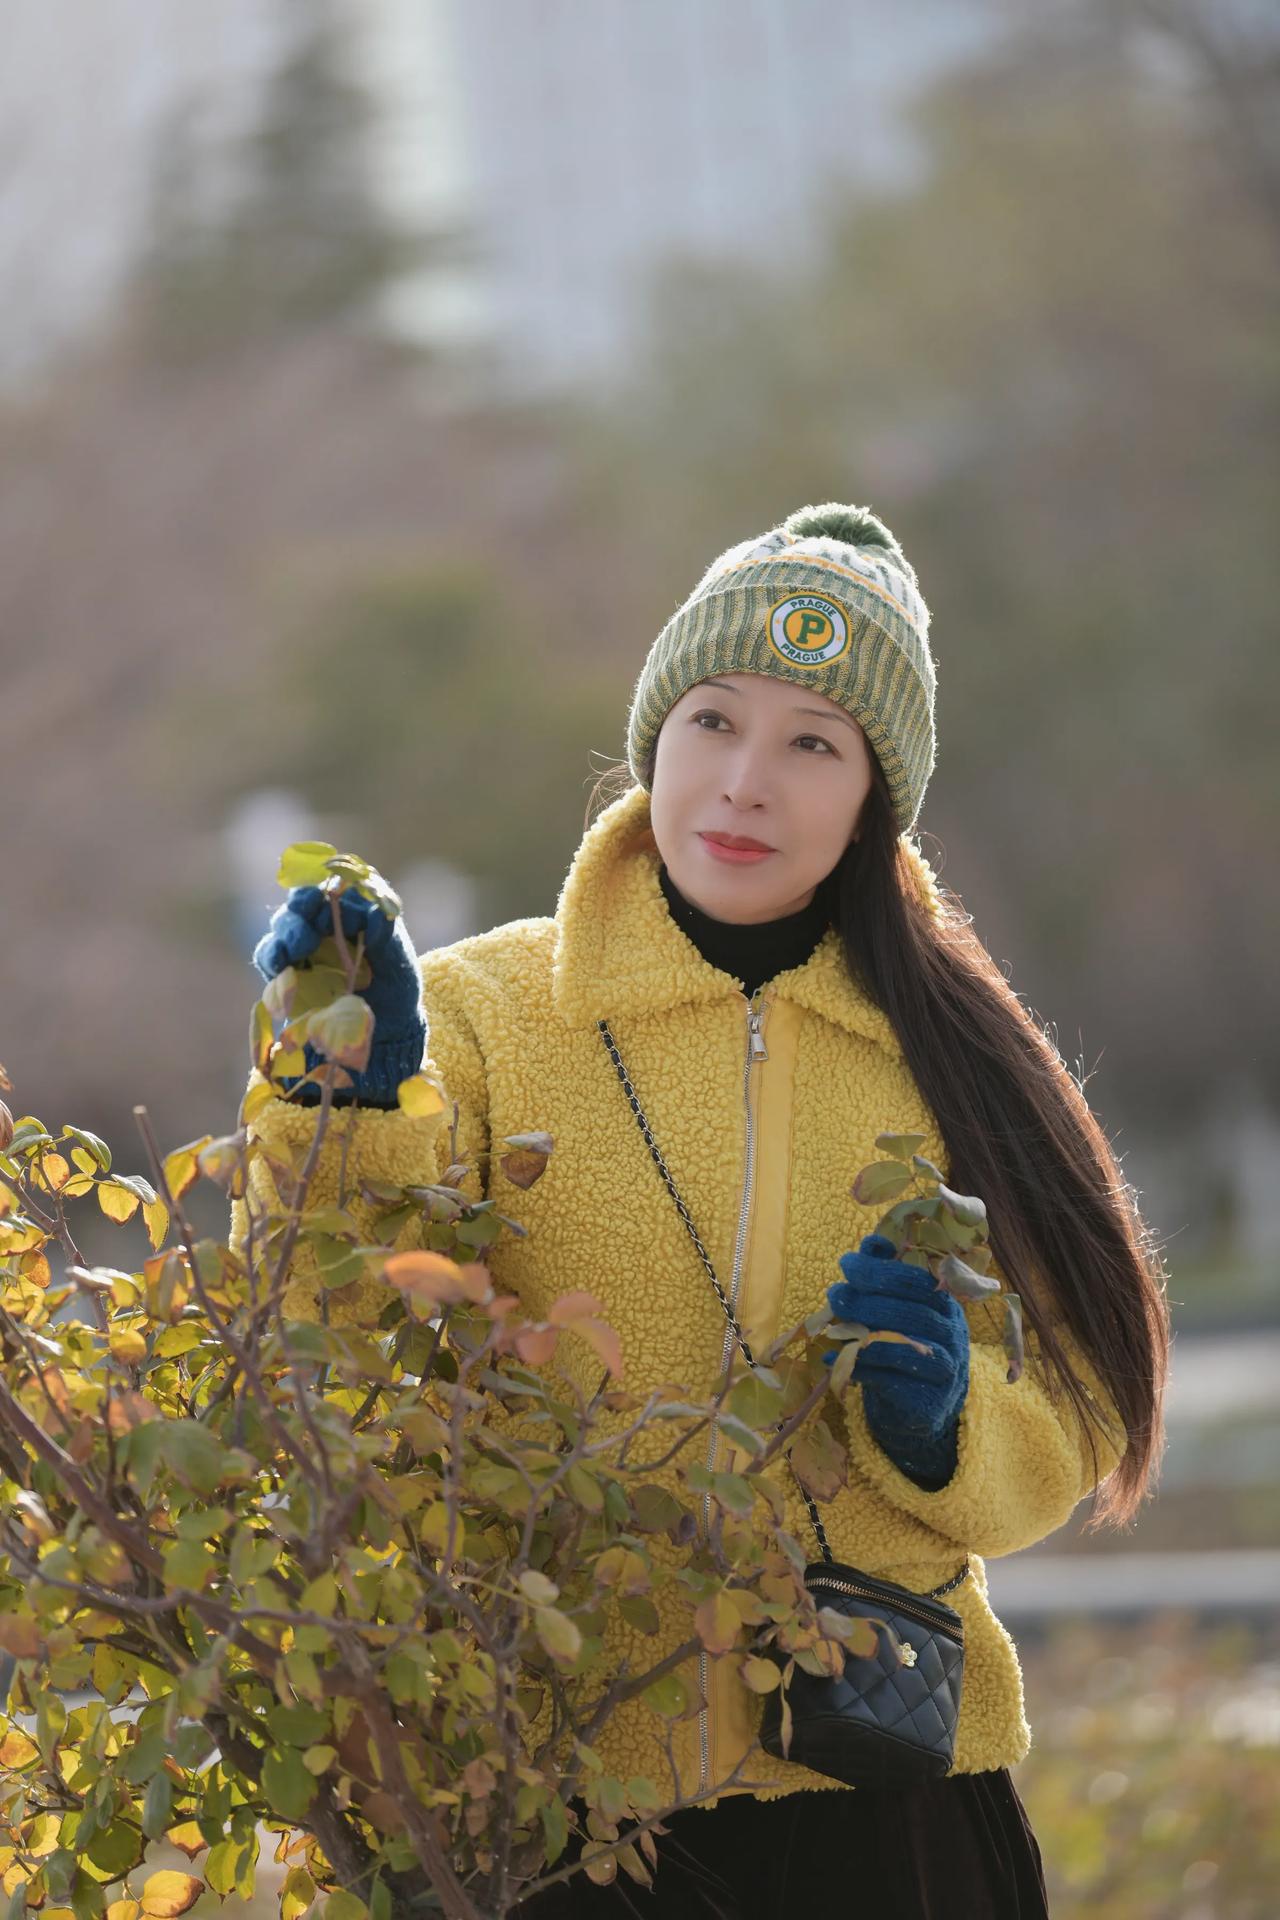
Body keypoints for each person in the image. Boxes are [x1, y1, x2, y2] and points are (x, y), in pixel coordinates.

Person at [238, 503, 1170, 1917]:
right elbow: (331, 1338)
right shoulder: (488, 1016)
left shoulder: (959, 1057)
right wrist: (340, 1109)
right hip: (556, 1808)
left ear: (874, 796)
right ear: (655, 736)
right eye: (713, 723)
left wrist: (947, 1431)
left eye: (813, 744)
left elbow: (1094, 1390)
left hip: (889, 1815)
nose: (745, 783)